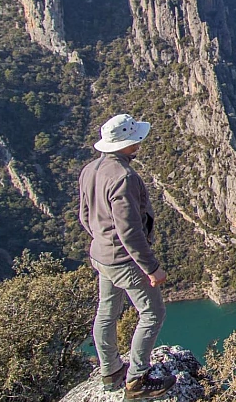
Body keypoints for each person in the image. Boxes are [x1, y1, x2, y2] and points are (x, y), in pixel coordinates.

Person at [78, 114, 176, 399]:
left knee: (107, 313)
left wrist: (101, 241)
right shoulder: (124, 177)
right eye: (136, 141)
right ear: (128, 144)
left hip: (100, 256)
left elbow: (85, 216)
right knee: (152, 313)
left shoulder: (90, 169)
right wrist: (152, 267)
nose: (139, 145)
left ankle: (110, 372)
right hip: (124, 261)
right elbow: (130, 231)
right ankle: (137, 379)